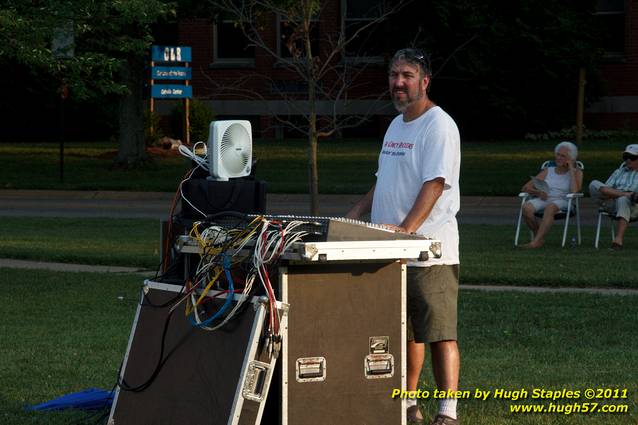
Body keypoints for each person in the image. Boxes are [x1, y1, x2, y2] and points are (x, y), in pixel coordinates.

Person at [346, 48, 461, 425]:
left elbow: (435, 184)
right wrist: (355, 214)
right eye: (394, 75)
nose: (398, 83)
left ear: (424, 81)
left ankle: (448, 412)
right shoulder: (396, 125)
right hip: (390, 249)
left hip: (429, 252)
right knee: (404, 333)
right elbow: (383, 182)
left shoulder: (438, 125)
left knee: (439, 333)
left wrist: (407, 232)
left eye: (407, 75)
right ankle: (407, 404)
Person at [519, 141, 583, 249]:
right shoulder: (548, 170)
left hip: (564, 201)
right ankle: (538, 238)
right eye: (557, 154)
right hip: (545, 198)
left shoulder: (577, 173)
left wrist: (571, 169)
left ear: (570, 159)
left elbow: (575, 191)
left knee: (551, 207)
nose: (558, 157)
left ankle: (535, 242)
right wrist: (538, 192)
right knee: (526, 208)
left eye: (563, 156)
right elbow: (526, 187)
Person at [589, 144, 638, 250]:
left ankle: (618, 240)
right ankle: (625, 194)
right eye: (626, 157)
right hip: (612, 203)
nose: (628, 160)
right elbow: (606, 189)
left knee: (623, 200)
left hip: (634, 207)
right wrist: (623, 193)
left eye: (632, 157)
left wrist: (625, 196)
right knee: (594, 183)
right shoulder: (619, 171)